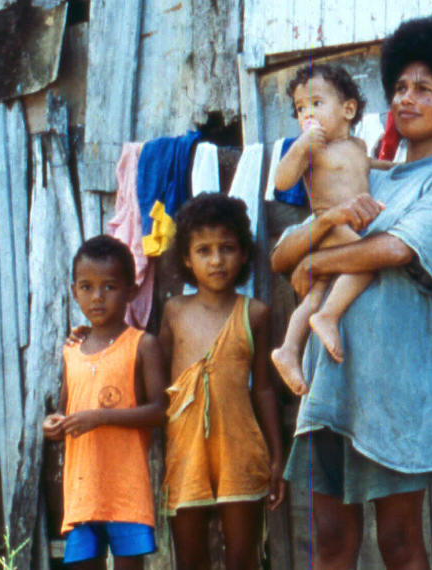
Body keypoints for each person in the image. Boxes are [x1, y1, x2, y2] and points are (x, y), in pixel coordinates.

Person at [269, 17, 432, 570]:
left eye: (425, 89)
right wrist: (319, 233)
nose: (407, 99)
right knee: (330, 537)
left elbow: (395, 250)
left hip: (399, 396)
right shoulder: (369, 174)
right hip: (331, 386)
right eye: (399, 87)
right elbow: (282, 256)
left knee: (399, 541)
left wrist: (318, 258)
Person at [159, 195, 286, 569]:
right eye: (204, 250)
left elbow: (263, 389)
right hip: (186, 448)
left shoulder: (256, 314)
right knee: (190, 559)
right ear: (186, 258)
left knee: (243, 558)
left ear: (245, 254)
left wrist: (277, 457)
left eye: (227, 248)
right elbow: (152, 370)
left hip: (240, 447)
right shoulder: (174, 311)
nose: (216, 260)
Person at [43, 235, 168, 570]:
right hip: (82, 493)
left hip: (126, 491)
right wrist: (54, 425)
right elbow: (69, 412)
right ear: (74, 291)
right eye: (86, 287)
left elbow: (161, 411)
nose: (96, 297)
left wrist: (100, 417)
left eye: (109, 287)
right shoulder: (72, 351)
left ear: (129, 290)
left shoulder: (142, 345)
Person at [270, 63, 395, 393]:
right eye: (300, 109)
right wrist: (300, 145)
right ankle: (328, 317)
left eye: (315, 103)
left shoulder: (357, 147)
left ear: (348, 110)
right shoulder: (313, 149)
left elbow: (371, 166)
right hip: (328, 227)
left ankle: (288, 349)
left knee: (318, 291)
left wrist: (403, 166)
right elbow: (282, 181)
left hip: (349, 228)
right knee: (365, 264)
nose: (306, 115)